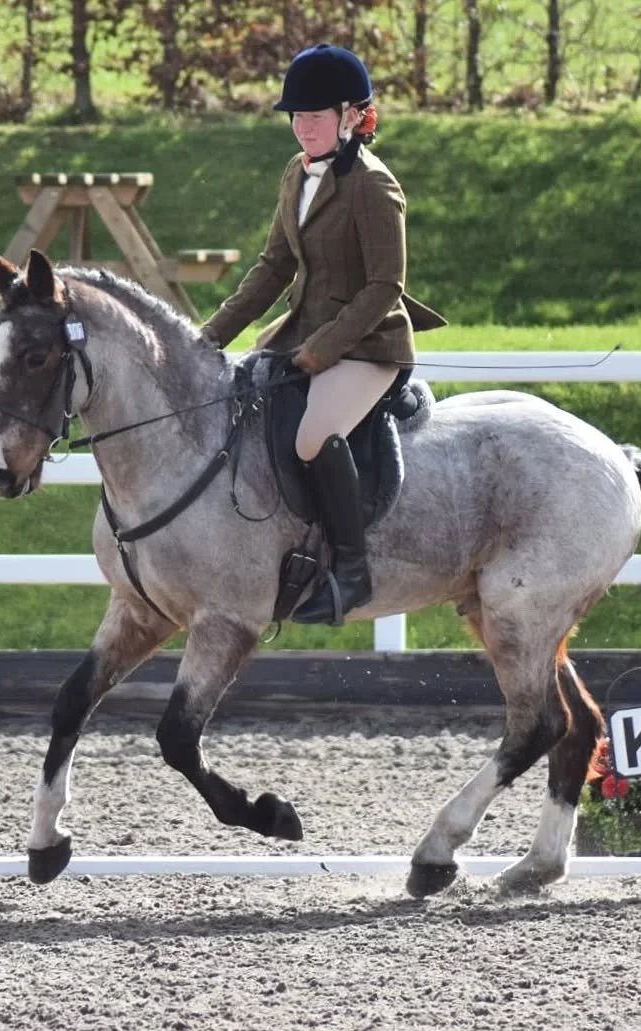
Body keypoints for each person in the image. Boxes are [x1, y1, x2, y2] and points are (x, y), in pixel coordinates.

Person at [200, 43, 446, 626]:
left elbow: (386, 286)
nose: (303, 127)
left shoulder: (374, 186)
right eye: (297, 117)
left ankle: (353, 571)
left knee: (312, 436)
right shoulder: (295, 174)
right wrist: (208, 337)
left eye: (314, 116)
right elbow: (273, 267)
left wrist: (320, 350)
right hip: (302, 333)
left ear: (351, 117)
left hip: (369, 344)